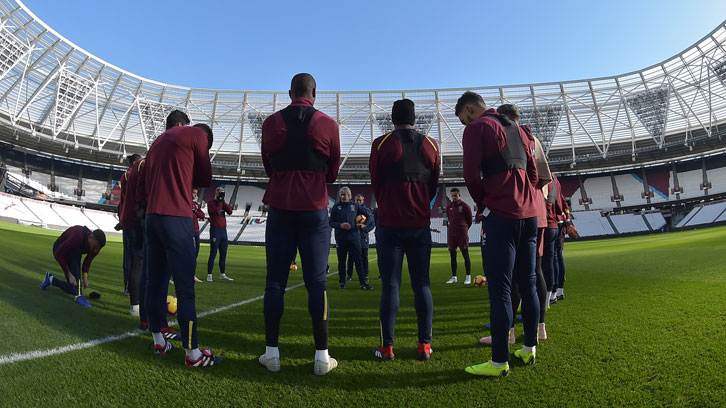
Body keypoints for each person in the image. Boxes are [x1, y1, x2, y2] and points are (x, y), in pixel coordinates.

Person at [259, 73, 340, 375]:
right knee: (317, 283)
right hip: (314, 209)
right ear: (315, 92)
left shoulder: (271, 123)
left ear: (289, 92)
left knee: (274, 283)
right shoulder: (328, 124)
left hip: (280, 206)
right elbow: (332, 171)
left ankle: (272, 354)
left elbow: (268, 164)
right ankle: (321, 357)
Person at [456, 92, 539, 377]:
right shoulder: (521, 129)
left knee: (501, 289)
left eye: (463, 119)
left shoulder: (477, 128)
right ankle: (529, 350)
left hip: (502, 214)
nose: (465, 123)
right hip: (530, 214)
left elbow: (470, 176)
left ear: (469, 109)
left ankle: (498, 362)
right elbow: (534, 174)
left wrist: (484, 203)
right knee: (527, 283)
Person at [140, 111, 221, 367]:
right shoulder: (197, 135)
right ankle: (192, 354)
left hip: (153, 217)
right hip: (177, 216)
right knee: (185, 289)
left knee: (154, 283)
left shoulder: (157, 142)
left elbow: (143, 183)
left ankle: (159, 341)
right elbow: (205, 178)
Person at [369, 99, 439, 361]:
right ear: (415, 118)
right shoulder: (431, 145)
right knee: (422, 284)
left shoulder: (382, 143)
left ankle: (387, 347)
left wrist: (389, 202)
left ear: (392, 119)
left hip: (389, 225)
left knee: (391, 286)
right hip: (419, 225)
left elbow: (375, 181)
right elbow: (433, 185)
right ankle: (425, 345)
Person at [41, 226, 106, 307]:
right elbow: (58, 254)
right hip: (60, 248)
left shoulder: (96, 247)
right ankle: (79, 296)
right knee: (76, 253)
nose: (96, 250)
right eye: (96, 247)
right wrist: (69, 274)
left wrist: (85, 278)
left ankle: (51, 279)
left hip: (73, 252)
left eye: (98, 248)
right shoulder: (77, 236)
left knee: (73, 288)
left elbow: (87, 263)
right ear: (91, 238)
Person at [118, 153, 145, 315]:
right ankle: (134, 298)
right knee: (135, 261)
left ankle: (131, 291)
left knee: (131, 259)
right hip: (134, 219)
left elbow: (124, 199)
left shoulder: (127, 175)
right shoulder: (132, 173)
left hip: (127, 218)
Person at [330, 187, 371, 290]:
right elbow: (330, 222)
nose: (343, 197)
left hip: (354, 237)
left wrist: (364, 225)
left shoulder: (355, 205)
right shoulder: (336, 207)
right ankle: (342, 283)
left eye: (345, 195)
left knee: (358, 260)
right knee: (342, 261)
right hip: (341, 238)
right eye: (341, 195)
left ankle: (362, 283)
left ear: (349, 195)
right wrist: (340, 225)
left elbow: (369, 215)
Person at [444, 188, 473, 285]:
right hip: (452, 233)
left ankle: (468, 276)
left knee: (465, 254)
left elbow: (469, 221)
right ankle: (454, 277)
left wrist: (464, 228)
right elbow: (450, 219)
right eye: (452, 195)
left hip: (462, 233)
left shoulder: (465, 206)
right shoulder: (449, 207)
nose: (453, 197)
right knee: (452, 255)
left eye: (455, 195)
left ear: (459, 195)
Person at [206, 186, 234, 282]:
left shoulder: (222, 203)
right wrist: (219, 202)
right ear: (216, 193)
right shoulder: (211, 203)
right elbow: (217, 212)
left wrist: (223, 201)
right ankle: (209, 274)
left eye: (223, 192)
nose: (222, 194)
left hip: (223, 231)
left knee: (223, 254)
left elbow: (230, 211)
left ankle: (222, 274)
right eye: (220, 192)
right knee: (213, 253)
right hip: (215, 230)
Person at [346, 194, 375, 282]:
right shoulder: (352, 210)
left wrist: (365, 229)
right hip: (353, 236)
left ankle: (365, 275)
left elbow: (372, 223)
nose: (358, 202)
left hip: (363, 237)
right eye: (357, 200)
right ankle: (349, 275)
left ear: (363, 200)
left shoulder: (366, 210)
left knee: (364, 257)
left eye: (360, 200)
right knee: (351, 257)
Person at [191, 188, 204, 283]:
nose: (194, 195)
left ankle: (192, 274)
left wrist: (195, 211)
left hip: (196, 231)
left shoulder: (195, 205)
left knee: (195, 254)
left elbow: (202, 215)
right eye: (193, 192)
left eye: (195, 193)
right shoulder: (185, 202)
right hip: (188, 231)